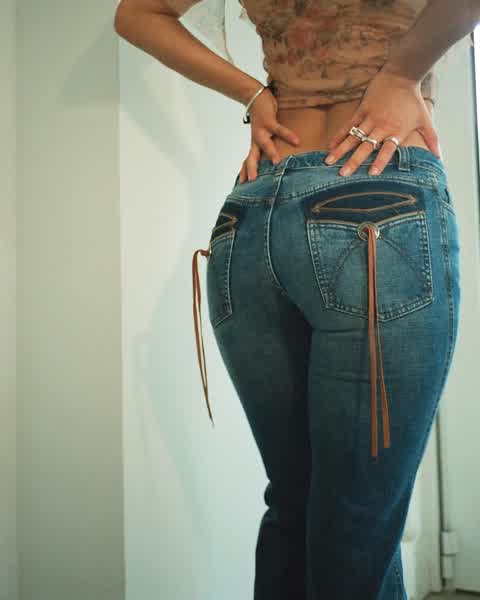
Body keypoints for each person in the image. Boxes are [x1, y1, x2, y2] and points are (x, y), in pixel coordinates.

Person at [114, 1, 477, 598]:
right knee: (357, 521)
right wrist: (400, 74)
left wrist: (256, 95)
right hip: (373, 203)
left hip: (250, 218)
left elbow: (137, 13)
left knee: (295, 503)